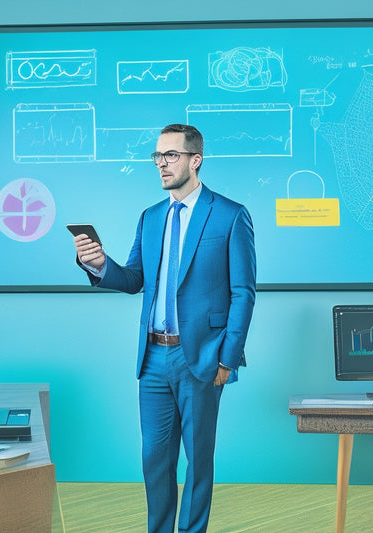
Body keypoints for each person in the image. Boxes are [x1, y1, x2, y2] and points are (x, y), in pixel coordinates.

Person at [72, 123, 256, 533]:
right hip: (153, 358)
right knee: (155, 460)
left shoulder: (229, 215)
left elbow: (244, 294)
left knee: (198, 458)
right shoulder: (151, 217)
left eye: (171, 155)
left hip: (203, 358)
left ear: (195, 159)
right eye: (158, 156)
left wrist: (228, 358)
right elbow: (134, 278)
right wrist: (99, 265)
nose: (162, 164)